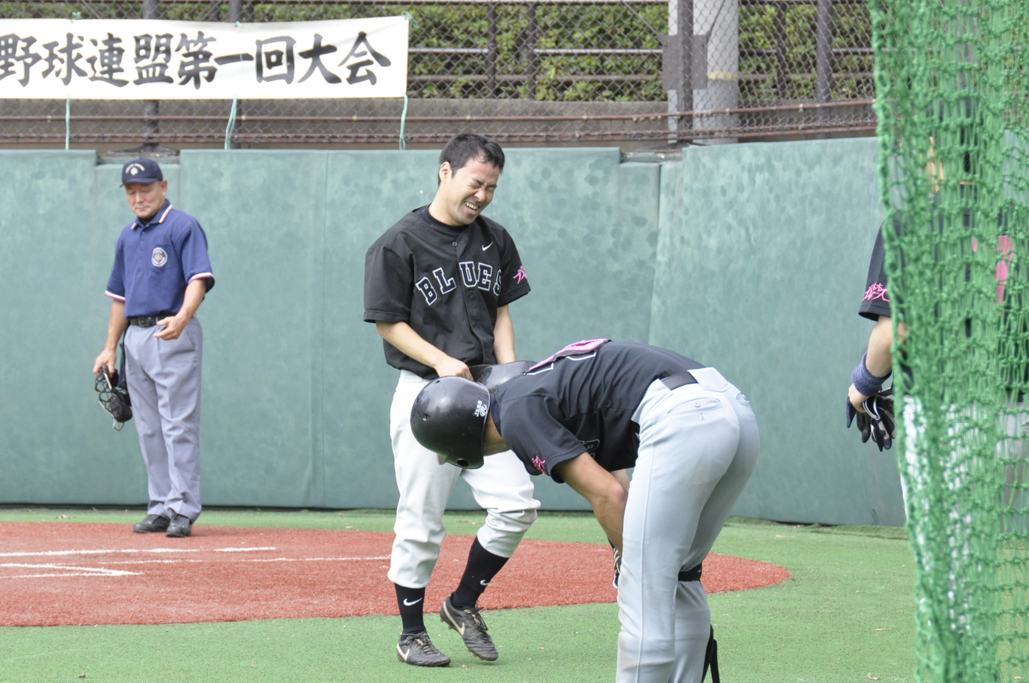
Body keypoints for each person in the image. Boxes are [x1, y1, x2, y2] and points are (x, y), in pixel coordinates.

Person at [410, 339, 760, 682]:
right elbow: (615, 479)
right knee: (681, 575)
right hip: (734, 410)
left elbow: (609, 497)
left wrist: (631, 561)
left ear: (458, 444)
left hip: (683, 417)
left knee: (643, 585)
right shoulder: (541, 385)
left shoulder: (514, 413)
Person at [363, 133, 540, 667]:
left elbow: (502, 311)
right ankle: (411, 634)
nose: (482, 195)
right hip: (427, 396)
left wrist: (511, 377)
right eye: (475, 183)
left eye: (491, 187)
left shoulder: (496, 238)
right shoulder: (398, 243)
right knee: (420, 519)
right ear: (446, 172)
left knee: (517, 505)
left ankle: (462, 603)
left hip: (486, 394)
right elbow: (388, 323)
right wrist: (440, 360)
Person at [92, 158, 214, 539]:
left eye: (145, 188)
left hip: (170, 330)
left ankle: (183, 507)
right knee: (148, 427)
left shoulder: (182, 226)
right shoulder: (127, 236)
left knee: (178, 425)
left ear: (163, 187)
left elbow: (198, 279)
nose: (138, 197)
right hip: (135, 337)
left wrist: (183, 317)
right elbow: (119, 298)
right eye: (131, 191)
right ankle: (161, 505)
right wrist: (109, 348)